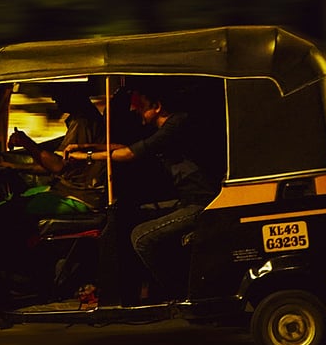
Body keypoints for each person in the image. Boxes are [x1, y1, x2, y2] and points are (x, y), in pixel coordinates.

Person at [66, 81, 219, 298]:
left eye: (140, 104)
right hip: (187, 200)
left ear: (157, 106)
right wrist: (84, 146)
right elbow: (126, 147)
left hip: (201, 203)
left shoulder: (177, 124)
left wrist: (86, 157)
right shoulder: (166, 127)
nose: (134, 108)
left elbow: (128, 154)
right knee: (134, 217)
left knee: (141, 238)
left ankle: (180, 294)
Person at [6, 83, 107, 213]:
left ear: (72, 93)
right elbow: (53, 165)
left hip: (79, 196)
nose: (54, 98)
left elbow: (57, 166)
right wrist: (13, 167)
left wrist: (26, 142)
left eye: (58, 92)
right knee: (22, 196)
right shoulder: (80, 119)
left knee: (9, 209)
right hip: (65, 189)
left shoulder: (83, 122)